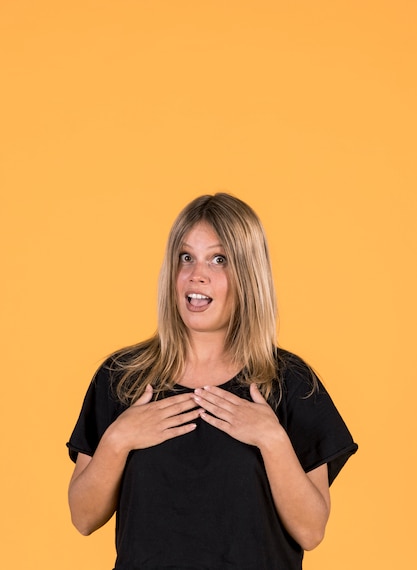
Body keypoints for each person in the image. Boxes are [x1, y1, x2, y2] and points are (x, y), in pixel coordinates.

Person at [67, 192, 358, 570]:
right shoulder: (122, 377)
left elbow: (311, 531)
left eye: (218, 260)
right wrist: (119, 440)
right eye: (185, 257)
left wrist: (271, 439)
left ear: (249, 275)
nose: (196, 274)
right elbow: (83, 518)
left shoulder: (289, 382)